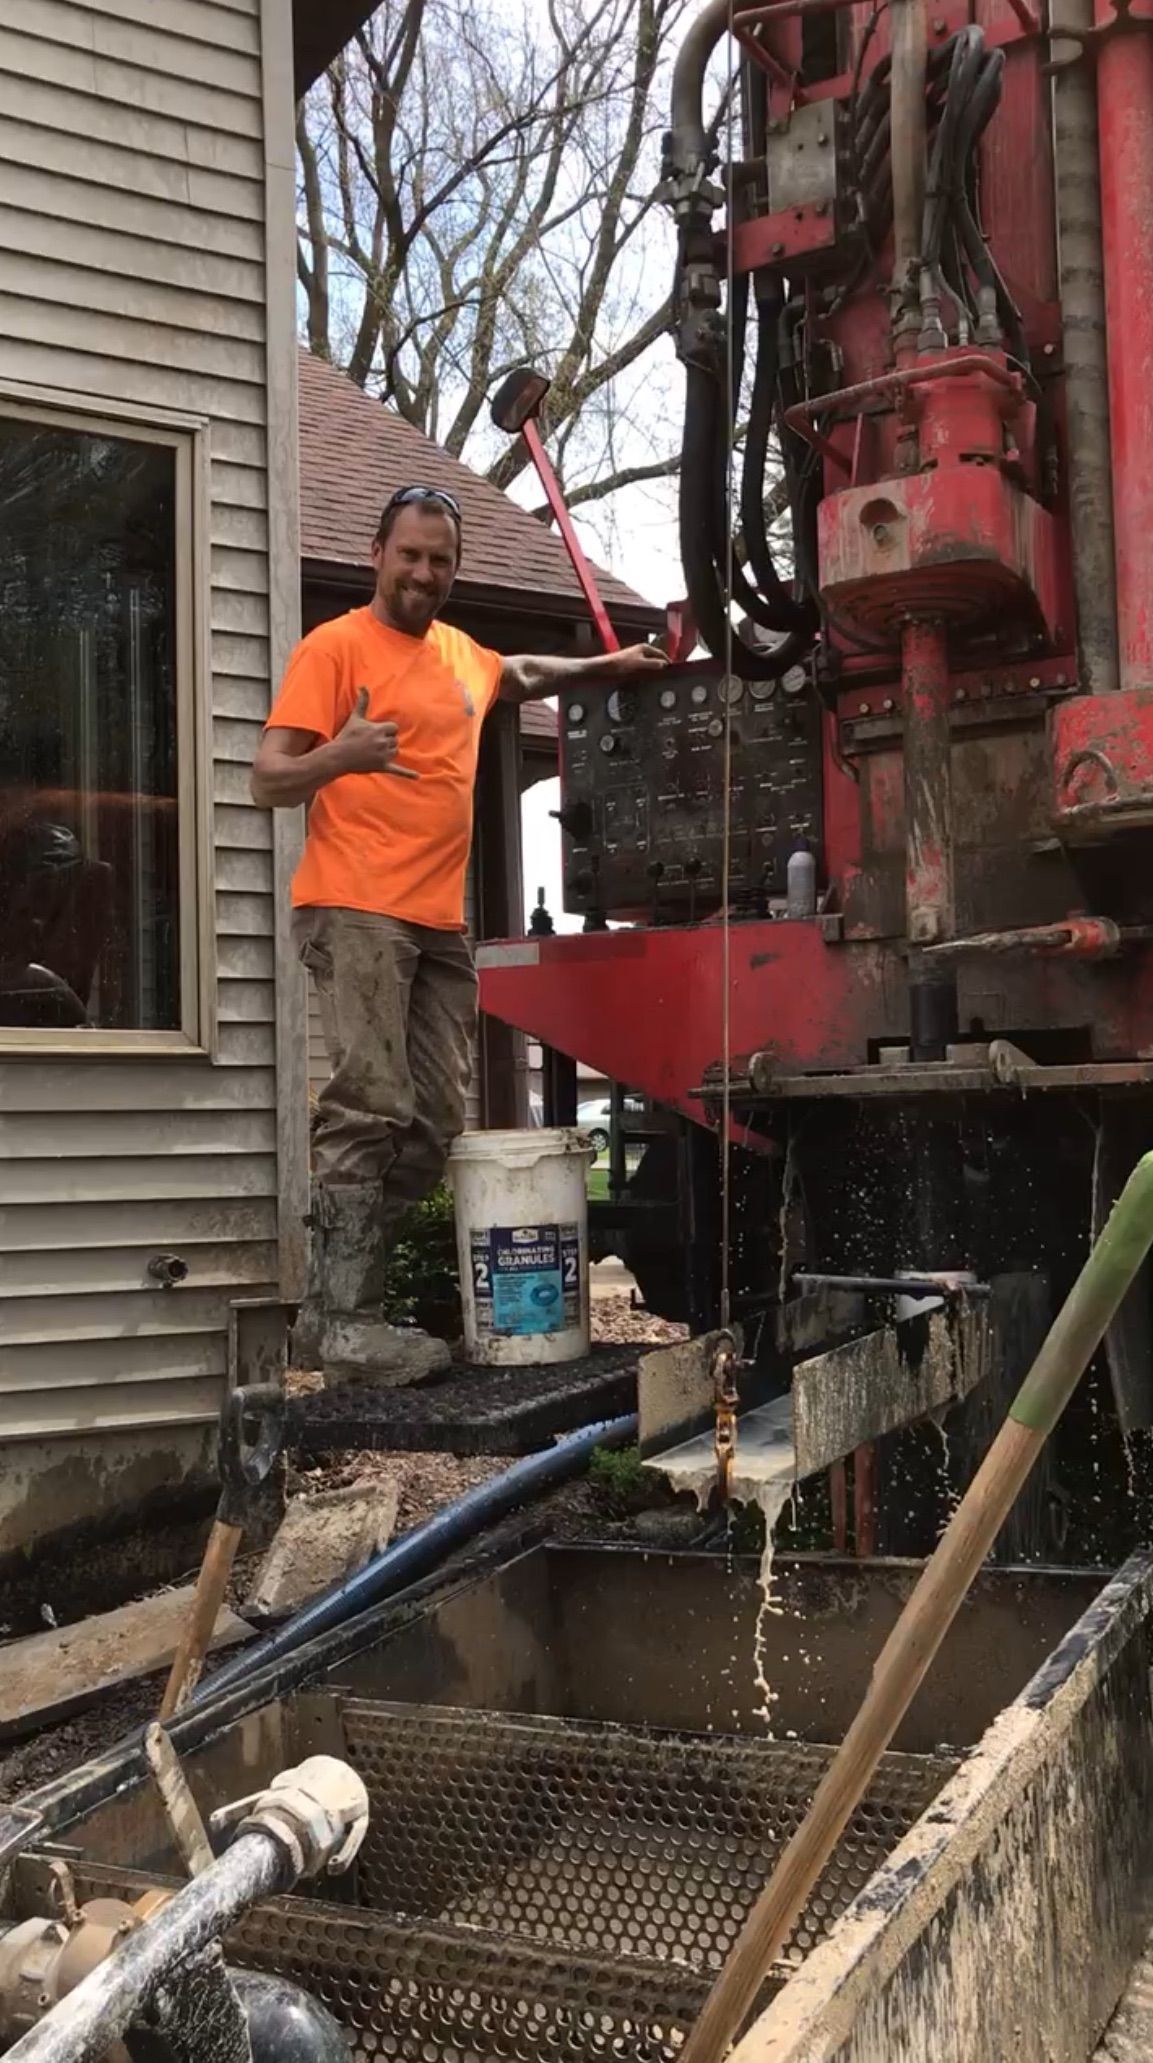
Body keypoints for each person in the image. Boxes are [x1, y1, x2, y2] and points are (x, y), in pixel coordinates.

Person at [251, 483, 666, 1381]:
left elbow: (517, 674)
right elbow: (268, 778)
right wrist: (342, 756)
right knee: (369, 1099)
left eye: (440, 560)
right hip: (355, 904)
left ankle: (333, 1307)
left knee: (437, 1115)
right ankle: (350, 1321)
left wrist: (609, 666)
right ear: (377, 553)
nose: (424, 573)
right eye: (410, 555)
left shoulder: (457, 654)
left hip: (438, 919)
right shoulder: (335, 648)